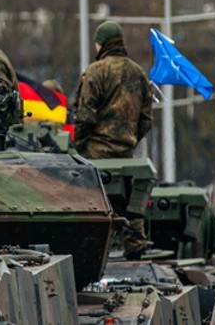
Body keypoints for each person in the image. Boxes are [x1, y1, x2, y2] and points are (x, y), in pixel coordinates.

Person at [71, 20, 153, 258]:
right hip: (126, 153)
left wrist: (79, 147)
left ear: (101, 44)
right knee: (130, 205)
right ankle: (135, 245)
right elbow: (146, 118)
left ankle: (92, 251)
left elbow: (85, 115)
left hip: (95, 153)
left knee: (91, 205)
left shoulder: (96, 72)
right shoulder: (138, 73)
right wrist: (130, 139)